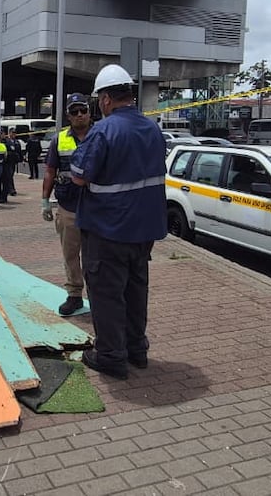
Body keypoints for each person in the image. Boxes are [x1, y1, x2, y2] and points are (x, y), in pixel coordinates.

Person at [69, 64, 166, 380]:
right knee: (136, 291)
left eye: (99, 99)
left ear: (106, 98)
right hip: (144, 231)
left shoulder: (104, 130)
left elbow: (80, 178)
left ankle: (110, 355)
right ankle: (137, 350)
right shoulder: (152, 129)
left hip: (107, 230)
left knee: (107, 294)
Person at [43, 93, 93, 316]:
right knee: (70, 254)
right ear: (68, 115)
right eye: (75, 111)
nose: (80, 115)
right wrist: (45, 200)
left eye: (83, 110)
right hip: (68, 206)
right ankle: (74, 295)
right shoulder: (59, 139)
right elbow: (50, 171)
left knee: (96, 256)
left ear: (90, 111)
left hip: (97, 207)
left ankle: (97, 296)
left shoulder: (101, 135)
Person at [1, 128, 22, 200]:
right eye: (12, 133)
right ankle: (11, 189)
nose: (14, 134)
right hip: (7, 161)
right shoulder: (7, 141)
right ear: (9, 133)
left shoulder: (17, 142)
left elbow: (19, 151)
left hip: (13, 161)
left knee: (11, 175)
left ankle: (10, 189)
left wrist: (21, 159)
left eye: (15, 133)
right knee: (9, 176)